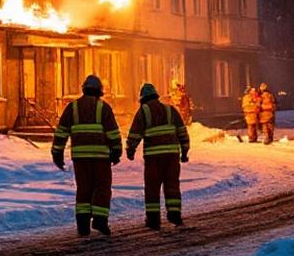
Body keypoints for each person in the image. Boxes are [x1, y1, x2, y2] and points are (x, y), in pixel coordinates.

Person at [52, 74, 122, 237]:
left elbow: (61, 132)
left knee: (84, 188)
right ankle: (100, 220)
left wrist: (57, 152)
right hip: (101, 157)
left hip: (80, 157)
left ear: (84, 89)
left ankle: (83, 225)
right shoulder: (103, 108)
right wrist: (116, 151)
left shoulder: (72, 107)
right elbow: (112, 132)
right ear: (99, 91)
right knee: (102, 188)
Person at [126, 82, 190, 229]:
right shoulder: (170, 110)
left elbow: (135, 134)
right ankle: (175, 215)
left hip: (153, 158)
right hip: (172, 156)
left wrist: (130, 150)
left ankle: (153, 220)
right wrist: (185, 151)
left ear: (143, 98)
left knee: (152, 188)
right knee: (172, 185)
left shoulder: (143, 112)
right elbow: (182, 132)